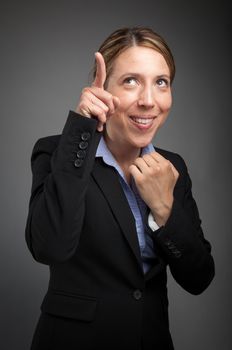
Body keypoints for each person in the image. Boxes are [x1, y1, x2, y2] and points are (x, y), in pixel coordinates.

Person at [25, 26, 215, 350]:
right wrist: (82, 130)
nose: (148, 101)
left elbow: (199, 277)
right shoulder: (60, 151)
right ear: (103, 89)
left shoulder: (174, 168)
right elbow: (50, 247)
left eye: (161, 83)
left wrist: (165, 208)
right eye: (131, 81)